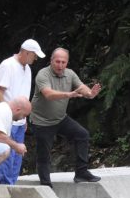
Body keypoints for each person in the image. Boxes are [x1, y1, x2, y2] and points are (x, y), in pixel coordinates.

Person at [30, 47, 102, 187]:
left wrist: (90, 93)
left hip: (60, 118)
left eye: (63, 62)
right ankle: (45, 184)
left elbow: (81, 87)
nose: (60, 65)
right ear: (51, 61)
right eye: (57, 61)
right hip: (41, 121)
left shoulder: (70, 74)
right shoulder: (43, 74)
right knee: (43, 153)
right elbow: (48, 94)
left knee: (82, 135)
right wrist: (68, 95)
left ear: (67, 63)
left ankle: (81, 173)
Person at [0, 39, 45, 185]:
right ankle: (6, 184)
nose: (35, 59)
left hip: (20, 119)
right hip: (7, 118)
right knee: (6, 153)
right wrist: (4, 114)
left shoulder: (27, 69)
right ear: (26, 52)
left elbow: (24, 97)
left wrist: (25, 119)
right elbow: (0, 90)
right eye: (34, 55)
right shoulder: (7, 64)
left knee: (17, 155)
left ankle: (12, 184)